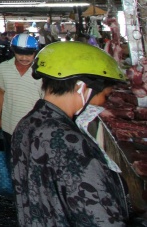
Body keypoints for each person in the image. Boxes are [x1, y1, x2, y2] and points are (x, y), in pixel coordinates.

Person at [11, 41, 130, 226]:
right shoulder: (67, 140)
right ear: (82, 88)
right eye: (105, 96)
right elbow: (99, 216)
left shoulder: (27, 123)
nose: (103, 105)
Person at [0, 32, 42, 148]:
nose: (24, 58)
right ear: (13, 51)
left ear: (35, 52)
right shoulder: (3, 67)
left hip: (36, 127)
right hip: (9, 125)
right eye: (20, 53)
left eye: (29, 54)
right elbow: (1, 93)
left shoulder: (43, 70)